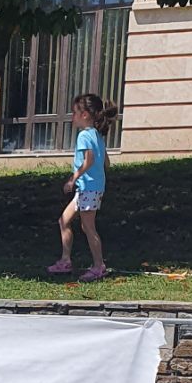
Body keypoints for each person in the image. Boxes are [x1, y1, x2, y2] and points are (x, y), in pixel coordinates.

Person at [49, 93, 116, 282]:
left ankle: (98, 266)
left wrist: (72, 179)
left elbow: (89, 160)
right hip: (89, 188)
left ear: (85, 114)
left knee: (88, 227)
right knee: (64, 220)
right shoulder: (97, 135)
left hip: (88, 188)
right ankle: (65, 261)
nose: (72, 116)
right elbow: (106, 162)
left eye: (75, 112)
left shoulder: (84, 136)